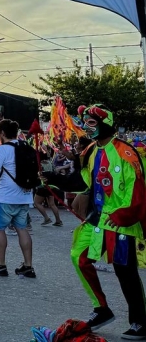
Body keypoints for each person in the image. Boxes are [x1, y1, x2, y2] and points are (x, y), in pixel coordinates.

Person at [70, 105, 146, 338]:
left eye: (91, 123)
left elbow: (137, 188)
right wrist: (51, 179)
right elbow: (85, 182)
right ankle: (101, 308)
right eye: (85, 122)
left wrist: (124, 215)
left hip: (120, 221)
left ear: (106, 124)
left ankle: (140, 322)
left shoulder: (126, 152)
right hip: (97, 220)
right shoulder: (91, 151)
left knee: (125, 271)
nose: (85, 127)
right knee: (79, 256)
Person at [0, 119, 36, 279]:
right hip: (24, 196)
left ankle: (1, 264)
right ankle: (28, 266)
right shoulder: (26, 147)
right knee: (22, 229)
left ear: (2, 133)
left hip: (5, 197)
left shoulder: (2, 150)